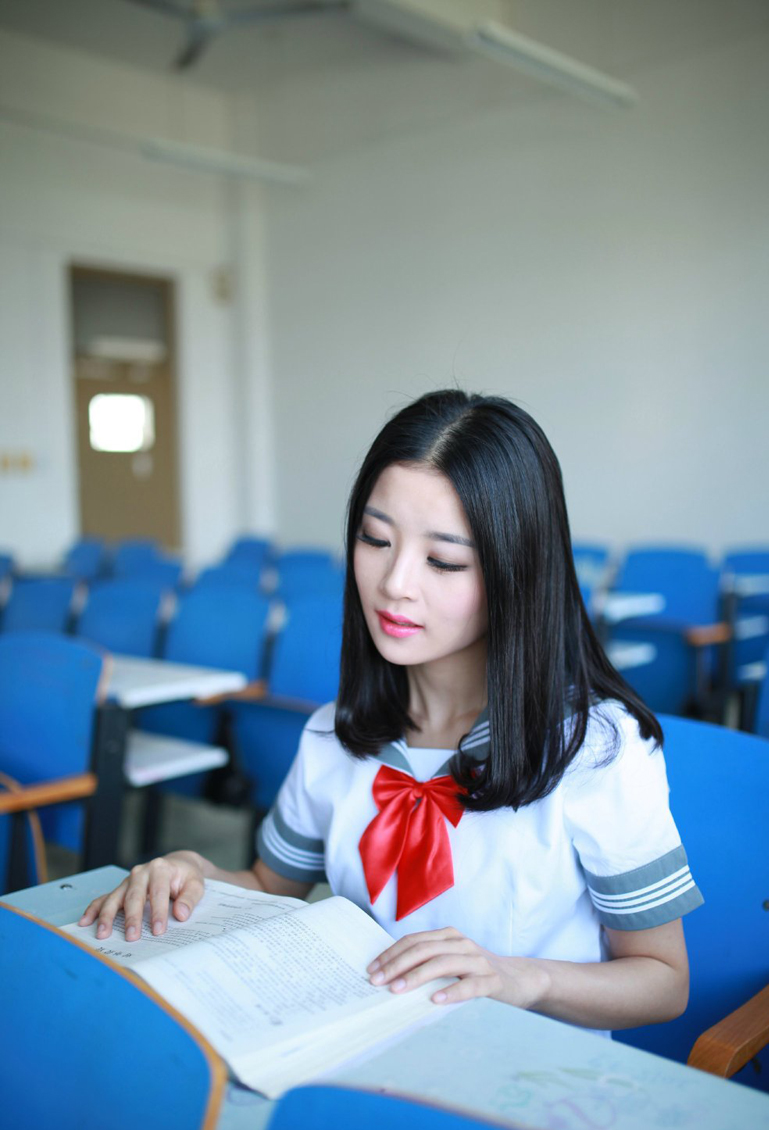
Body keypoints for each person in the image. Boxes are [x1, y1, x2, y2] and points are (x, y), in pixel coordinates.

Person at [81, 389, 702, 1032]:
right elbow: (269, 886)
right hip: (366, 1053)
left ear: (518, 571)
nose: (394, 582)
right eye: (375, 540)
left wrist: (520, 976)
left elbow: (664, 982)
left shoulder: (596, 749)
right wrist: (194, 872)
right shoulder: (334, 732)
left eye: (443, 560)